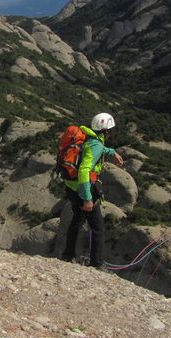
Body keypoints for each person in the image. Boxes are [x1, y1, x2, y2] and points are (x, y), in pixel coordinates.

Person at [61, 112, 124, 269]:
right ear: (106, 131)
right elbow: (84, 170)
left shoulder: (87, 135)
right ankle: (97, 263)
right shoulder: (95, 144)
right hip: (83, 190)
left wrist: (112, 152)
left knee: (77, 220)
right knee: (97, 228)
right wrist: (87, 198)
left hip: (71, 186)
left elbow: (96, 149)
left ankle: (67, 255)